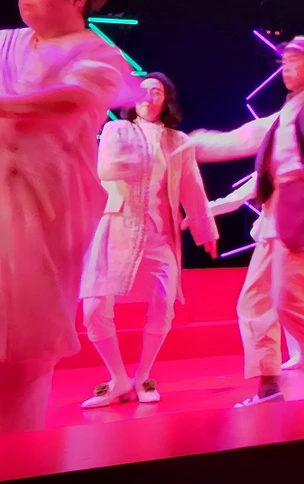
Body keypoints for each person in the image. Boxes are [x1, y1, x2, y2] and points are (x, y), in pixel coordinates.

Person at [0, 0, 138, 438]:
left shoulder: (97, 54)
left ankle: (16, 461)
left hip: (34, 216)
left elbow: (72, 99)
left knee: (19, 352)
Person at [187, 36, 304, 406]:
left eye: (295, 60)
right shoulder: (283, 116)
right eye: (285, 61)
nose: (287, 67)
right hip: (275, 220)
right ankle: (268, 385)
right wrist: (192, 144)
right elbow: (241, 140)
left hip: (303, 218)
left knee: (292, 300)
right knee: (255, 302)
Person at [78, 73, 220, 408]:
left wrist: (205, 230)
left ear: (165, 99)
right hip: (117, 227)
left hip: (159, 233)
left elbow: (191, 186)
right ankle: (117, 379)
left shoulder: (177, 140)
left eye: (156, 91)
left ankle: (143, 376)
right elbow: (108, 169)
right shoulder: (116, 130)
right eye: (142, 91)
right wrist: (143, 154)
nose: (148, 96)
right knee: (94, 307)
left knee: (163, 304)